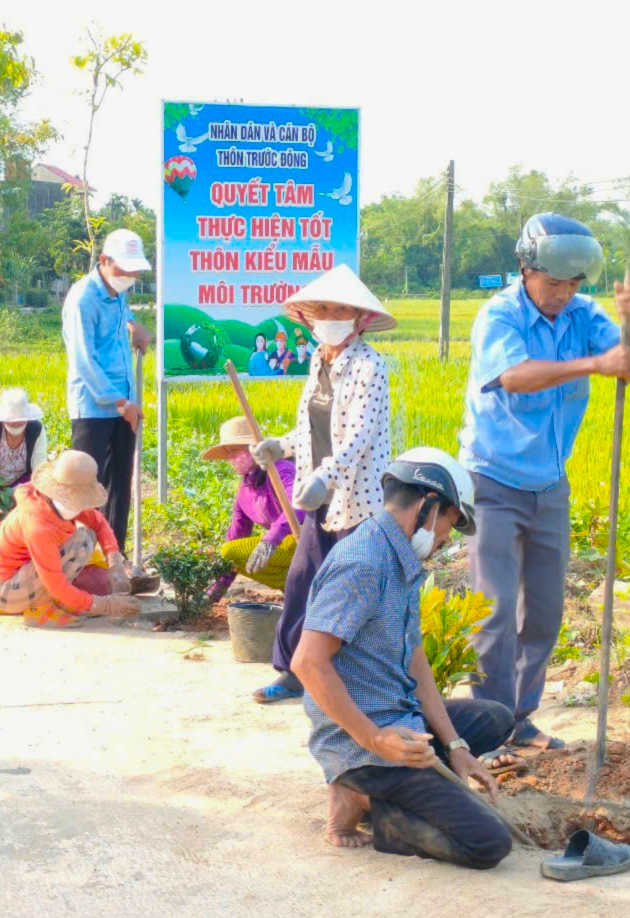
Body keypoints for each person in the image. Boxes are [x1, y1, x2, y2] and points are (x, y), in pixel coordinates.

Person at [458, 213, 630, 755]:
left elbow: (628, 360)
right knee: (493, 610)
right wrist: (594, 363)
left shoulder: (584, 314)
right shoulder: (500, 315)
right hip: (490, 480)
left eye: (575, 284)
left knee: (542, 610)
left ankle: (521, 718)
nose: (565, 293)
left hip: (549, 484)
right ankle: (490, 727)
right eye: (555, 281)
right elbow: (515, 375)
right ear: (525, 269)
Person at [293, 448, 513, 869]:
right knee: (487, 844)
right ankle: (366, 797)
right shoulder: (363, 563)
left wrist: (456, 745)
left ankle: (405, 778)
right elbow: (308, 663)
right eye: (450, 521)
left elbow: (414, 658)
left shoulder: (401, 556)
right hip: (363, 741)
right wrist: (375, 739)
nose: (448, 537)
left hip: (398, 714)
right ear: (429, 506)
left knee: (496, 719)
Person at [249, 265, 394, 704]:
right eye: (324, 308)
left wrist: (324, 477)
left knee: (352, 591)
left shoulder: (370, 366)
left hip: (357, 499)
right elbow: (315, 430)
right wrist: (281, 446)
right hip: (319, 497)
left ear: (360, 318)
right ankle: (293, 673)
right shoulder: (318, 362)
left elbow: (357, 437)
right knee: (301, 580)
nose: (331, 315)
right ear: (310, 316)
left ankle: (357, 678)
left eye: (341, 309)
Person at [62, 228, 152, 554]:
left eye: (134, 271)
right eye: (124, 269)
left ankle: (115, 555)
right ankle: (83, 559)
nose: (129, 276)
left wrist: (134, 325)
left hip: (124, 399)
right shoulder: (82, 300)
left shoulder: (117, 289)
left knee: (120, 483)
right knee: (88, 487)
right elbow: (84, 363)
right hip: (94, 407)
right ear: (104, 261)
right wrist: (121, 402)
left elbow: (121, 312)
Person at [0, 450, 141, 628]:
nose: (81, 506)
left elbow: (99, 523)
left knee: (87, 536)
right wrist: (105, 605)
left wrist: (115, 564)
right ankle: (40, 610)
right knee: (81, 543)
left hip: (27, 574)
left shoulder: (58, 501)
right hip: (7, 590)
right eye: (77, 500)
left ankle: (59, 601)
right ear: (61, 493)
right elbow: (55, 584)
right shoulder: (38, 525)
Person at [201, 416, 304, 599]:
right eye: (229, 454)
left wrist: (271, 539)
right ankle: (296, 588)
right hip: (283, 550)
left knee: (231, 551)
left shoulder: (279, 469)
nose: (233, 459)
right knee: (231, 552)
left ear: (253, 448)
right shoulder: (244, 490)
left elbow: (298, 503)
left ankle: (303, 582)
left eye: (236, 451)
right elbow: (235, 539)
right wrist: (218, 588)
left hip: (304, 541)